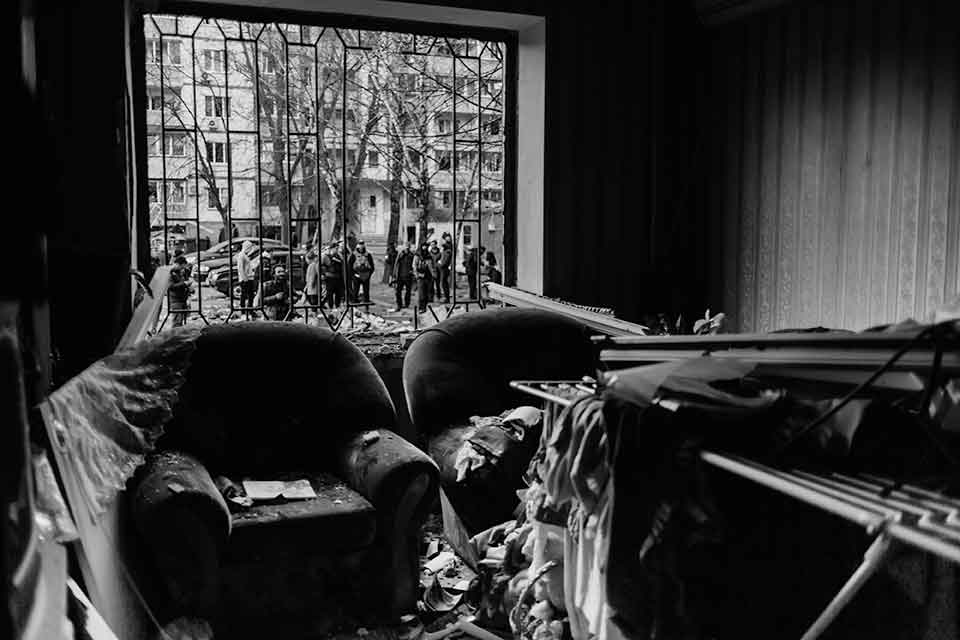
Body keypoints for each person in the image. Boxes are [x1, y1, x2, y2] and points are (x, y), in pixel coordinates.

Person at [168, 254, 192, 327]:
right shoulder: (170, 273)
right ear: (178, 264)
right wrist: (184, 284)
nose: (182, 269)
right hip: (176, 300)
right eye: (182, 267)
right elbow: (170, 286)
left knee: (181, 321)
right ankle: (175, 333)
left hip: (182, 299)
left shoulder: (179, 272)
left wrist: (188, 288)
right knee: (177, 322)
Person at [390, 242, 415, 311]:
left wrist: (412, 272)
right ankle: (399, 304)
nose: (406, 248)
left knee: (408, 291)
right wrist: (394, 275)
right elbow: (396, 264)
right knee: (398, 291)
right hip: (400, 276)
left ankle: (407, 304)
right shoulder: (400, 255)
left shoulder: (411, 255)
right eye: (405, 247)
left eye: (408, 247)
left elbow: (414, 264)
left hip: (408, 276)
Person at [321, 243, 344, 310]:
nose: (337, 250)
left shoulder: (338, 256)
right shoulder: (325, 256)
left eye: (337, 248)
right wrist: (323, 274)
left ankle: (337, 307)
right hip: (329, 278)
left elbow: (342, 265)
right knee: (329, 294)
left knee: (338, 293)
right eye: (336, 248)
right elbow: (321, 266)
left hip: (338, 277)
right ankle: (330, 307)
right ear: (332, 248)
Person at [237, 240, 255, 319]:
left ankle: (249, 310)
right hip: (245, 279)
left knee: (250, 295)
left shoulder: (245, 255)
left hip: (248, 278)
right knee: (244, 295)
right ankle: (244, 311)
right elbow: (240, 268)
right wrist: (245, 278)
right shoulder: (241, 255)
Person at [413, 245, 434, 313]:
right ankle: (421, 308)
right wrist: (417, 275)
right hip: (420, 277)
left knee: (427, 294)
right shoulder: (417, 256)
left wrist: (433, 275)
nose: (425, 248)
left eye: (426, 247)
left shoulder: (429, 256)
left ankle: (425, 308)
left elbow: (432, 266)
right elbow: (414, 266)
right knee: (421, 294)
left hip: (428, 277)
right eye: (423, 246)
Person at [304, 250, 320, 316]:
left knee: (313, 301)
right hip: (311, 286)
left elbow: (312, 276)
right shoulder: (313, 264)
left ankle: (314, 313)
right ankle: (314, 312)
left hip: (312, 286)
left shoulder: (312, 265)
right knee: (312, 300)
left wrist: (310, 285)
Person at [438, 233, 453, 303]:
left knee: (444, 283)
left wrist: (441, 264)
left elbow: (445, 260)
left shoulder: (447, 249)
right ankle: (446, 297)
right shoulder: (446, 248)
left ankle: (446, 297)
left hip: (445, 267)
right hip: (444, 266)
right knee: (444, 283)